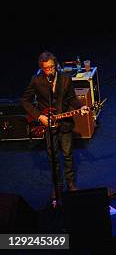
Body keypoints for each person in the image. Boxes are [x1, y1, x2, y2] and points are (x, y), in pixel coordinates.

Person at [21, 51, 89, 199]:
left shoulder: (65, 79)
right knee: (53, 157)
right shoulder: (36, 80)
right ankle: (57, 185)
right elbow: (25, 101)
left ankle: (71, 184)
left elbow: (72, 98)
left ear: (56, 65)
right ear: (41, 68)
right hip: (47, 124)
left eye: (51, 67)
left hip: (64, 123)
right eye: (46, 68)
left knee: (68, 154)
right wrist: (39, 116)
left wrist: (81, 107)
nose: (49, 71)